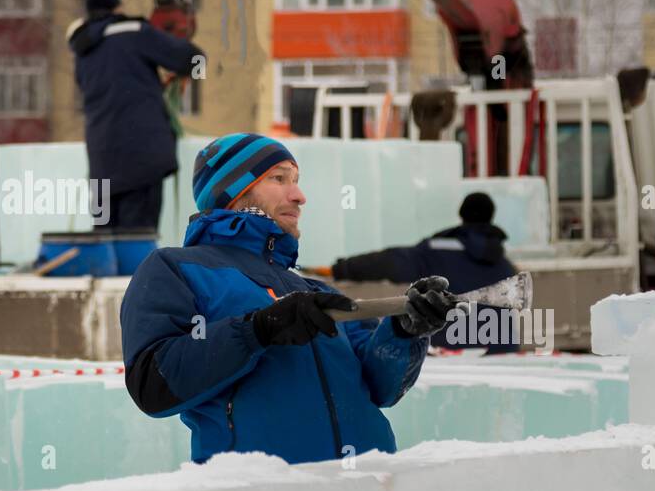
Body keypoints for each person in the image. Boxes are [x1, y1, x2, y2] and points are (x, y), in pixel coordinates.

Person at [119, 133, 457, 465]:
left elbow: (381, 387)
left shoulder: (316, 291)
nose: (299, 196)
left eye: (295, 180)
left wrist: (405, 331)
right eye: (279, 179)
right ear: (233, 192)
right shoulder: (176, 269)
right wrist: (258, 330)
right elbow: (153, 386)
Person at [68, 0, 203, 232]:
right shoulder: (133, 32)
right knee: (137, 243)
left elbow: (116, 83)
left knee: (107, 245)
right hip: (141, 160)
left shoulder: (82, 50)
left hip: (101, 163)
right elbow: (195, 59)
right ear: (117, 6)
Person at [331, 192, 518, 353]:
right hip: (501, 357)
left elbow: (389, 262)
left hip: (452, 357)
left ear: (462, 214)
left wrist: (342, 268)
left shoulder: (436, 251)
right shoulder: (505, 265)